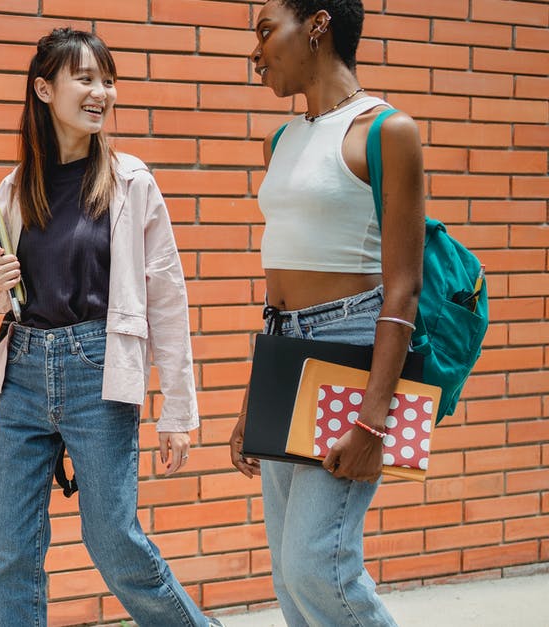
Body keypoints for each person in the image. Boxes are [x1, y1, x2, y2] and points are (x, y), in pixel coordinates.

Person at [0, 27, 221, 627]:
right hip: (22, 376)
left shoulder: (131, 181)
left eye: (107, 80)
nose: (101, 92)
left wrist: (178, 412)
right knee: (9, 555)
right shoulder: (14, 187)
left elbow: (168, 300)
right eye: (85, 78)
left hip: (97, 373)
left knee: (115, 543)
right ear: (44, 88)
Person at [228, 1, 425, 625]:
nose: (254, 53)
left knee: (319, 564)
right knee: (290, 574)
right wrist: (251, 405)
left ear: (318, 24)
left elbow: (403, 290)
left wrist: (372, 424)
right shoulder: (280, 140)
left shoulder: (387, 131)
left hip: (349, 348)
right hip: (284, 350)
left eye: (265, 31)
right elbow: (279, 286)